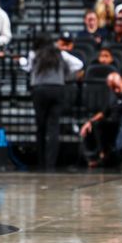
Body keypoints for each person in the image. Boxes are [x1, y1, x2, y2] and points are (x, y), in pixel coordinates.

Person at [28, 34, 84, 171]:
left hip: (40, 89)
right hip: (57, 89)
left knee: (40, 127)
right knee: (53, 128)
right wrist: (65, 75)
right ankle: (51, 164)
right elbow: (79, 64)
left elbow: (27, 68)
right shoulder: (60, 54)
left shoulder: (35, 54)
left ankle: (40, 163)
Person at [79, 72, 122, 168]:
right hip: (112, 121)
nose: (116, 90)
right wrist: (89, 122)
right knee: (94, 126)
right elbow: (103, 112)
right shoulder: (112, 95)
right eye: (112, 88)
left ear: (121, 81)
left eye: (116, 86)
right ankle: (98, 155)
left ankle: (106, 155)